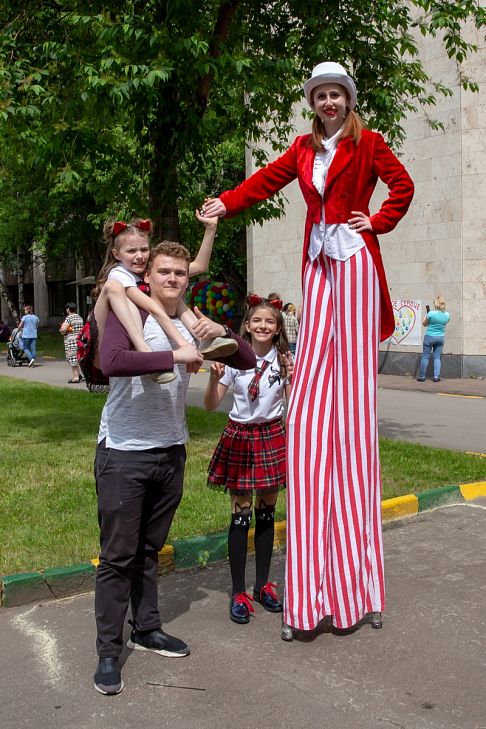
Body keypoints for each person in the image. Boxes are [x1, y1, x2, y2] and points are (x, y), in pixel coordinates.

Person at [203, 61, 414, 634]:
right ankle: (307, 415)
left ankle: (356, 579)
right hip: (319, 267)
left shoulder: (368, 142)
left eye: (336, 95)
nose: (328, 103)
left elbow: (404, 186)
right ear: (314, 102)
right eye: (320, 96)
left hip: (355, 263)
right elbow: (264, 182)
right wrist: (226, 202)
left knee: (350, 392)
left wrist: (379, 221)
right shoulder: (300, 148)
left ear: (348, 100)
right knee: (314, 388)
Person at [93, 240, 256, 696]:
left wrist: (217, 328)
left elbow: (244, 358)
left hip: (169, 450)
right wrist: (175, 355)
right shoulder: (129, 309)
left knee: (149, 549)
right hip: (124, 451)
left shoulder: (189, 320)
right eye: (163, 272)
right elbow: (112, 361)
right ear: (150, 276)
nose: (171, 279)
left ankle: (147, 628)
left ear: (187, 278)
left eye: (179, 274)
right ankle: (109, 651)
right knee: (118, 556)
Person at [204, 296, 293, 624]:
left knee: (267, 514)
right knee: (241, 517)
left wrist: (294, 377)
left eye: (270, 322)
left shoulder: (284, 360)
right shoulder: (232, 358)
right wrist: (214, 377)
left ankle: (263, 586)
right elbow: (212, 404)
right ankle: (238, 591)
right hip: (241, 438)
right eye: (257, 321)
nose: (263, 326)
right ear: (247, 325)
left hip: (271, 436)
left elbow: (294, 405)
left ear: (278, 327)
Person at [93, 212, 237, 384]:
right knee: (119, 288)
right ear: (116, 254)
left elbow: (200, 265)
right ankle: (144, 351)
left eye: (144, 249)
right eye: (131, 251)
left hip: (137, 317)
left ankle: (205, 338)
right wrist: (183, 345)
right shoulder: (119, 274)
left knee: (173, 293)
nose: (139, 256)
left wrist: (211, 228)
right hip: (100, 333)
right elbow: (155, 310)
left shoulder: (151, 272)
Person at [417, 297, 450, 383]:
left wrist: (426, 315)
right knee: (437, 357)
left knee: (425, 357)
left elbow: (424, 324)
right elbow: (444, 323)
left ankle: (422, 376)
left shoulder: (431, 313)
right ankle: (436, 377)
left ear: (436, 304)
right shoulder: (447, 315)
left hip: (429, 336)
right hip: (440, 337)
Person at [59, 302, 84, 383]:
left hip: (71, 341)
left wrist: (62, 330)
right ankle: (80, 375)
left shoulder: (69, 318)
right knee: (78, 357)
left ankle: (76, 377)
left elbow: (63, 330)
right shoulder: (79, 317)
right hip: (79, 340)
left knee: (72, 358)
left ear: (68, 309)